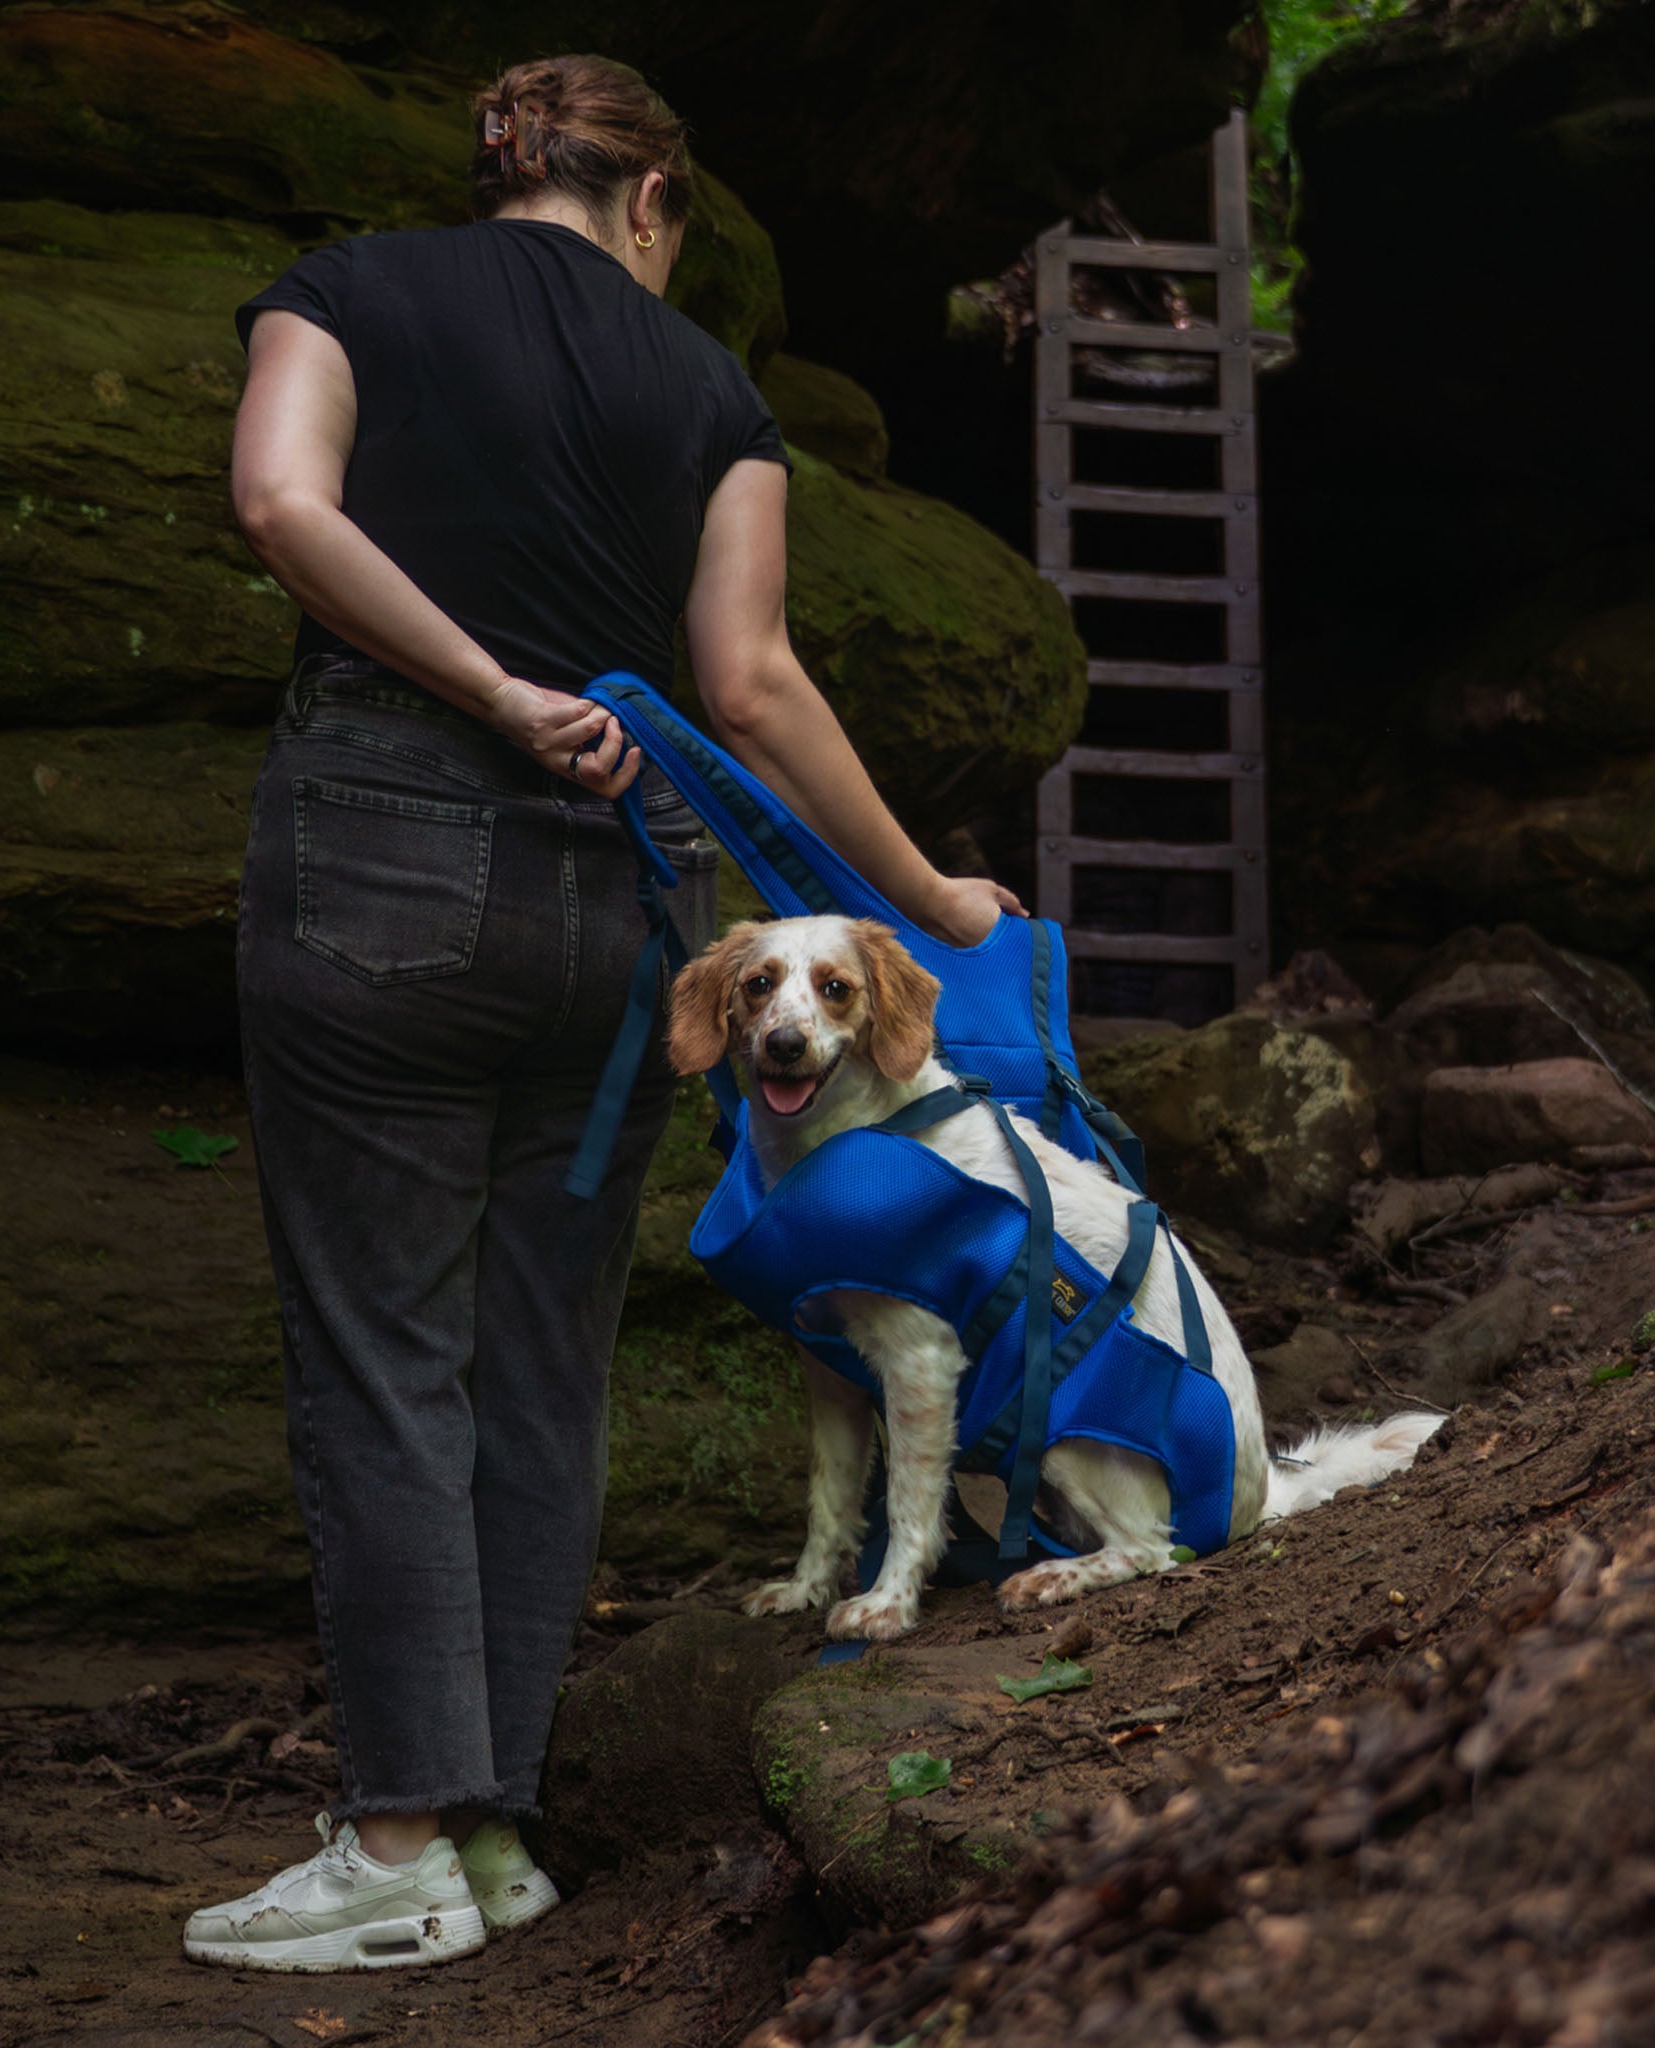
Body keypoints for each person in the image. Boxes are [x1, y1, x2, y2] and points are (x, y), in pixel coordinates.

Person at [184, 54, 1024, 1974]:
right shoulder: (711, 391)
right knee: (543, 1363)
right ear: (653, 204)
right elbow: (749, 680)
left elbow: (277, 501)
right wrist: (931, 899)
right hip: (630, 906)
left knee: (385, 1349)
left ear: (512, 179)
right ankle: (489, 1843)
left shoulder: (352, 290)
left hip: (384, 855)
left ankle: (398, 1841)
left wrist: (487, 687)